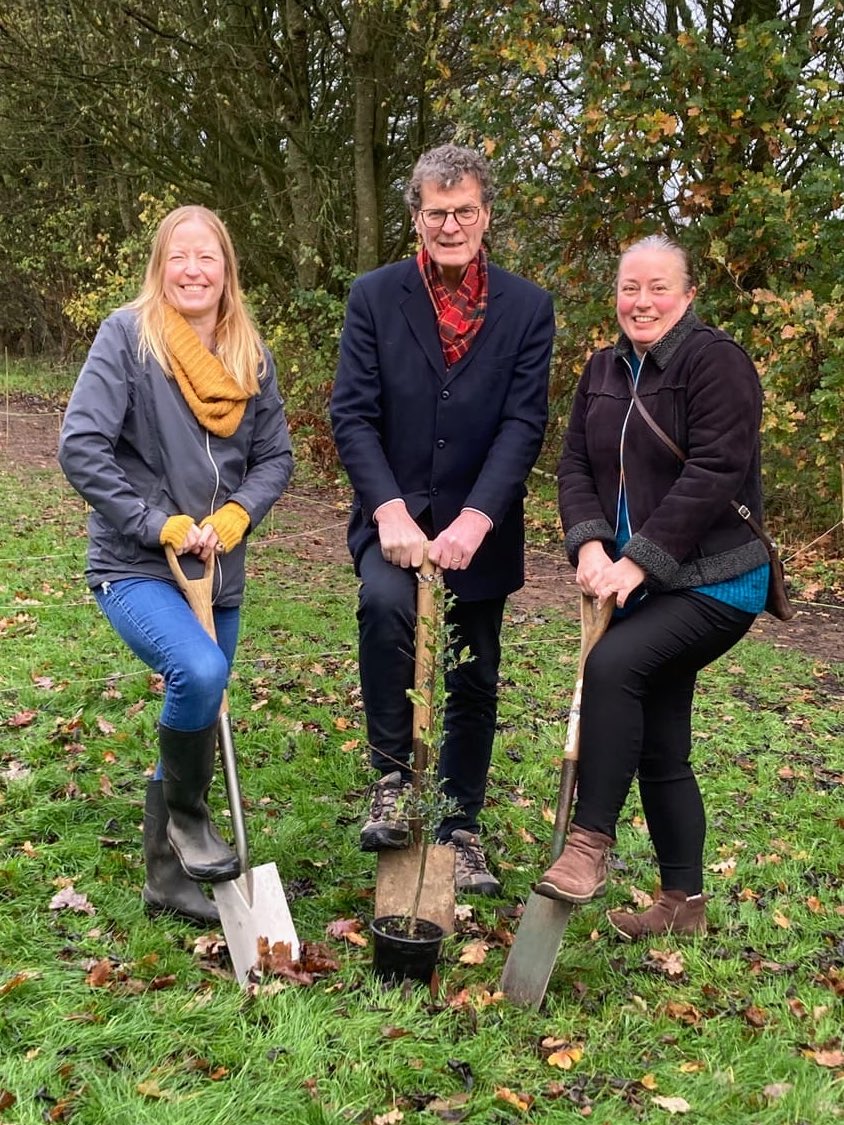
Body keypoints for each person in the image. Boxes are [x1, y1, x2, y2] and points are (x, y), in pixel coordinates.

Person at [58, 205, 293, 926]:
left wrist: (239, 512)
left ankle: (165, 877)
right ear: (159, 267)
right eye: (179, 257)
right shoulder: (127, 338)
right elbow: (81, 446)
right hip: (135, 562)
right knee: (198, 671)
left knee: (197, 699)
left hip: (216, 568)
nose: (193, 270)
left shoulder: (248, 354)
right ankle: (189, 819)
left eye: (207, 257)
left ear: (227, 269)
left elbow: (276, 456)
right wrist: (153, 521)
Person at [330, 144, 555, 896]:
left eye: (464, 211)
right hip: (395, 516)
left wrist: (478, 518)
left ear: (485, 215)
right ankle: (393, 782)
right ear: (416, 217)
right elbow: (352, 414)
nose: (450, 225)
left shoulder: (527, 307)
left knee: (473, 670)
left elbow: (523, 423)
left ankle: (460, 827)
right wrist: (388, 508)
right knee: (384, 608)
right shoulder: (375, 297)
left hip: (479, 525)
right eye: (437, 212)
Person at [534, 233, 770, 938]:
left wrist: (637, 561)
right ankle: (682, 905)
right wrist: (590, 544)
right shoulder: (602, 369)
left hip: (718, 579)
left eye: (658, 287)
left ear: (688, 295)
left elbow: (715, 472)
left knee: (615, 665)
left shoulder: (715, 362)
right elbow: (575, 464)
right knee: (663, 741)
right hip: (641, 584)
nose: (642, 301)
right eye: (629, 287)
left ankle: (588, 847)